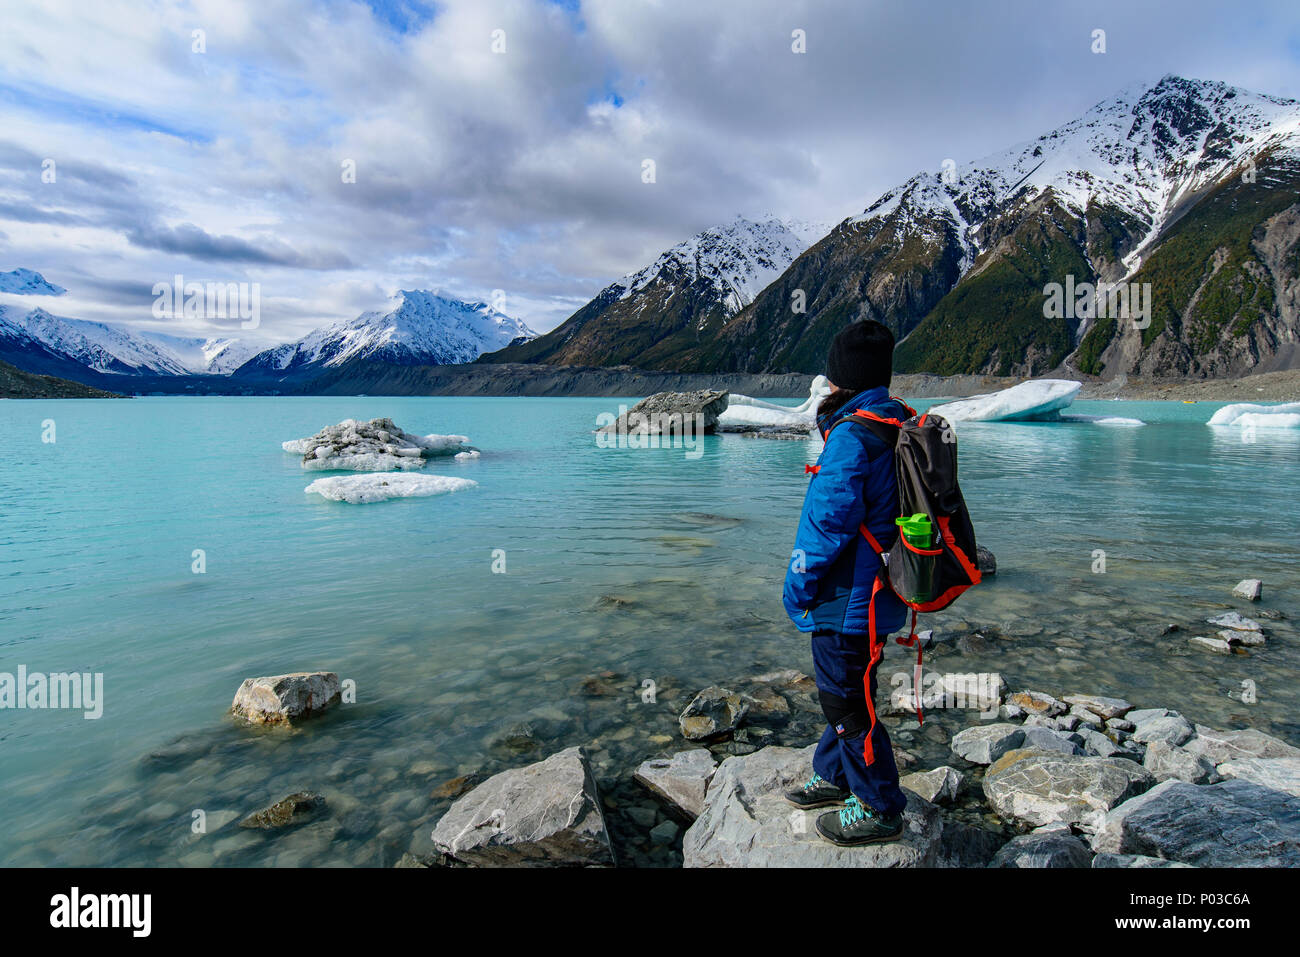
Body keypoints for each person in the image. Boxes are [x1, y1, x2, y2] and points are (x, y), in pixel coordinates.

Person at [781, 319, 911, 846]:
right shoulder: (894, 421)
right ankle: (835, 776)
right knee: (853, 688)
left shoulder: (851, 435)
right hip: (882, 589)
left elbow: (826, 522)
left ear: (841, 378)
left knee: (843, 700)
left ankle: (880, 806)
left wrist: (797, 585)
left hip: (847, 596)